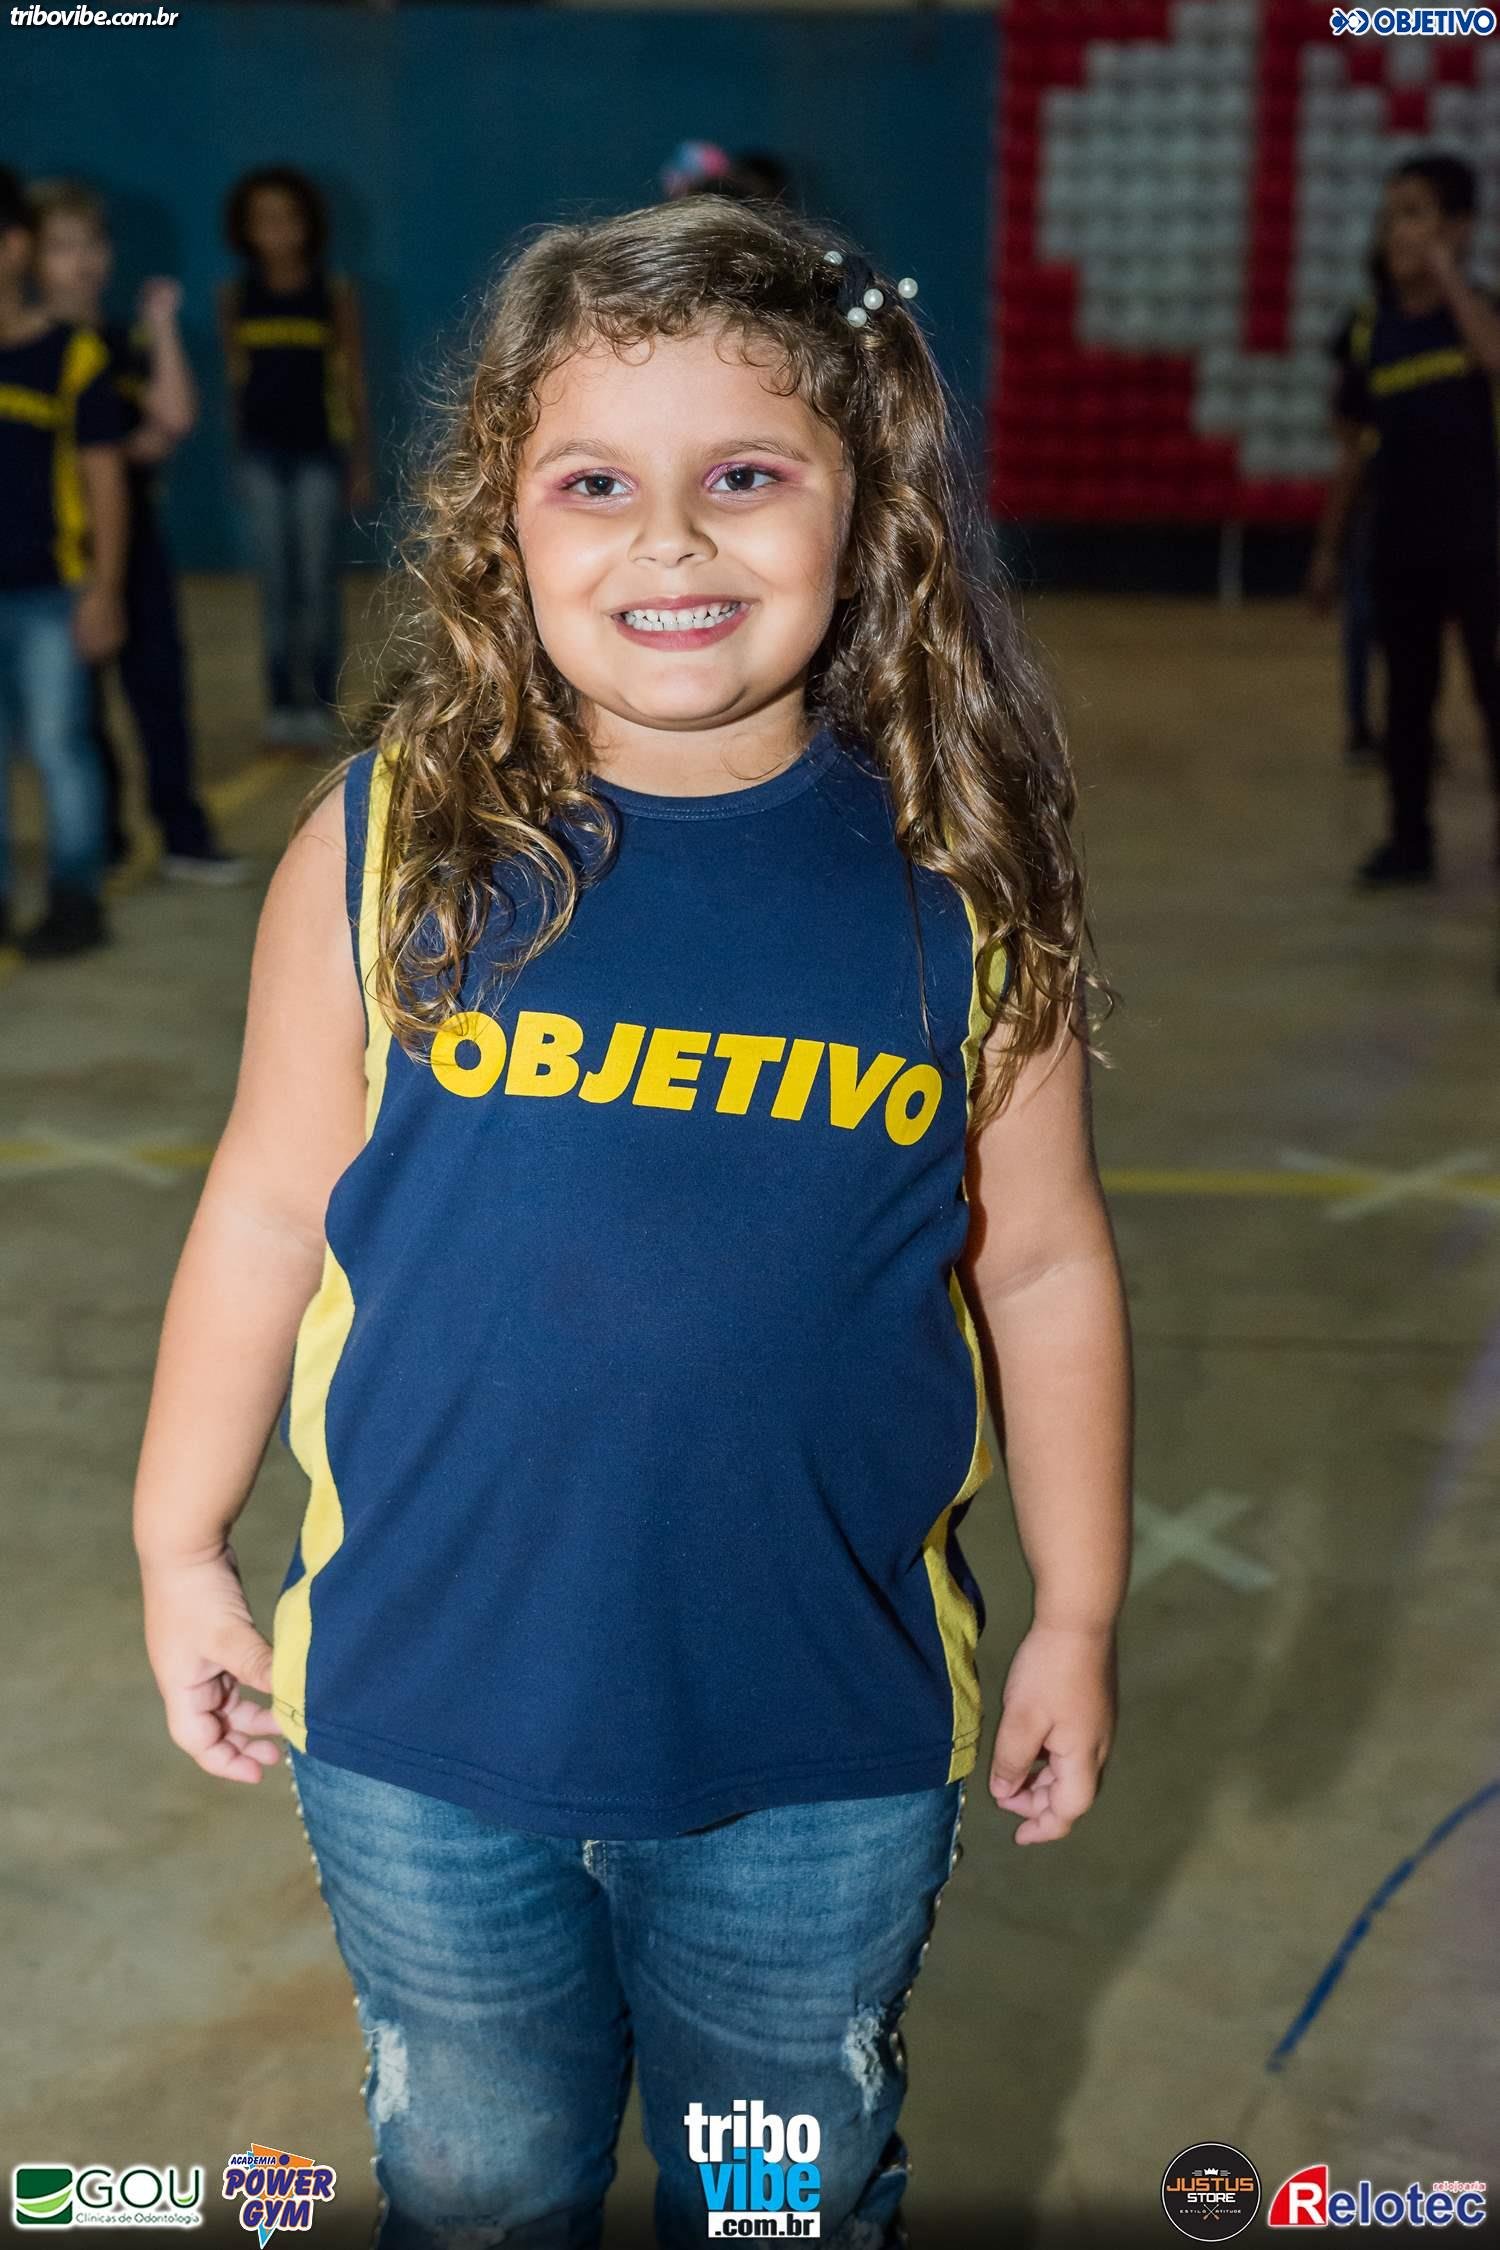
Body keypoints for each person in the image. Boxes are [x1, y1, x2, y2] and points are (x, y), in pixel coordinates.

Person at [134, 198, 1133, 2248]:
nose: (669, 542)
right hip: (420, 1718)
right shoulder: (391, 845)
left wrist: (1079, 1612)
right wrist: (176, 1542)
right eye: (595, 484)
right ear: (501, 524)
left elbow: (1042, 1267)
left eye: (745, 477)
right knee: (478, 2172)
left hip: (823, 1735)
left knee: (773, 2187)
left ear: (873, 511)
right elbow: (262, 1205)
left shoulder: (961, 882)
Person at [29, 178, 251, 885]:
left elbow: (173, 420)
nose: (83, 261)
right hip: (57, 554)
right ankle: (105, 838)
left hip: (137, 543)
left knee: (158, 689)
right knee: (76, 710)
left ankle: (183, 831)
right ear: (29, 257)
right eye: (62, 247)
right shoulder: (33, 349)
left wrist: (161, 327)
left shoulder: (122, 340)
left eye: (93, 244)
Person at [1307, 153, 1500, 887]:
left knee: (1492, 693)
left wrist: (1448, 275)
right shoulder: (1369, 329)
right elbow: (1353, 453)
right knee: (1408, 701)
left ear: (1458, 227)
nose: (1398, 231)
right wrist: (1328, 552)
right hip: (1399, 544)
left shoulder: (1479, 314)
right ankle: (1409, 841)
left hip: (1481, 543)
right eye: (1391, 216)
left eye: (1416, 213)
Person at [0, 163, 127, 959]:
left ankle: (76, 898)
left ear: (14, 247)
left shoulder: (70, 356)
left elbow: (104, 481)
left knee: (58, 745)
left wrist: (103, 589)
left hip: (52, 592)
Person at [217, 165, 373, 754]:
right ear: (245, 230)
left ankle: (321, 705)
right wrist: (238, 455)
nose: (277, 230)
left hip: (318, 459)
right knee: (276, 587)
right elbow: (235, 385)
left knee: (315, 583)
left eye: (288, 218)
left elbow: (352, 381)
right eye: (264, 220)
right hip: (262, 458)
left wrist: (360, 461)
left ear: (309, 226)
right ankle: (282, 704)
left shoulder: (334, 295)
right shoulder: (236, 298)